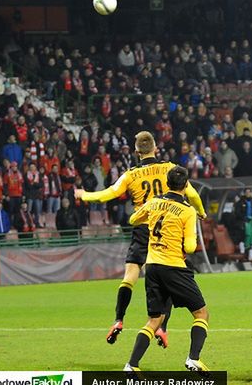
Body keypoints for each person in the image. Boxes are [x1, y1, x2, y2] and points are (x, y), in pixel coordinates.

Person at [75, 131, 206, 346]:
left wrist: (85, 195)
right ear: (156, 149)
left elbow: (107, 194)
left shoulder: (131, 174)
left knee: (129, 277)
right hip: (167, 230)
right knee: (169, 275)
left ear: (137, 152)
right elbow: (192, 195)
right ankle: (162, 327)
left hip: (142, 227)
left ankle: (118, 319)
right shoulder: (169, 168)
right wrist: (201, 211)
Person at [123, 166, 209, 373]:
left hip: (152, 266)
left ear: (167, 183)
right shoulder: (188, 210)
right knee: (201, 313)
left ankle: (131, 365)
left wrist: (150, 216)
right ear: (186, 185)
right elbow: (189, 247)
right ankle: (193, 359)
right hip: (174, 266)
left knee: (155, 319)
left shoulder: (153, 202)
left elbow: (133, 219)